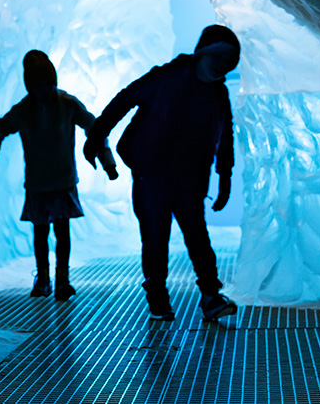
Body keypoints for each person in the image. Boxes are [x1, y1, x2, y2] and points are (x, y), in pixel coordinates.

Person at [83, 25, 241, 322]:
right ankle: (157, 295)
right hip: (152, 171)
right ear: (203, 55)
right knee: (155, 236)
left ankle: (210, 296)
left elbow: (225, 136)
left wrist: (225, 178)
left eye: (229, 59)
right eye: (218, 56)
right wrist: (97, 135)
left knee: (197, 237)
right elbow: (126, 98)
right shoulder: (168, 76)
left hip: (189, 177)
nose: (223, 64)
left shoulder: (218, 93)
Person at [0, 50, 118, 300]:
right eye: (36, 83)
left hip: (59, 181)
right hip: (41, 182)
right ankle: (46, 279)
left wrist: (107, 161)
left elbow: (93, 128)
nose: (42, 88)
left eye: (44, 82)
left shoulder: (66, 104)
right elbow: (0, 128)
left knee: (59, 232)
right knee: (43, 232)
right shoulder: (28, 109)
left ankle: (61, 280)